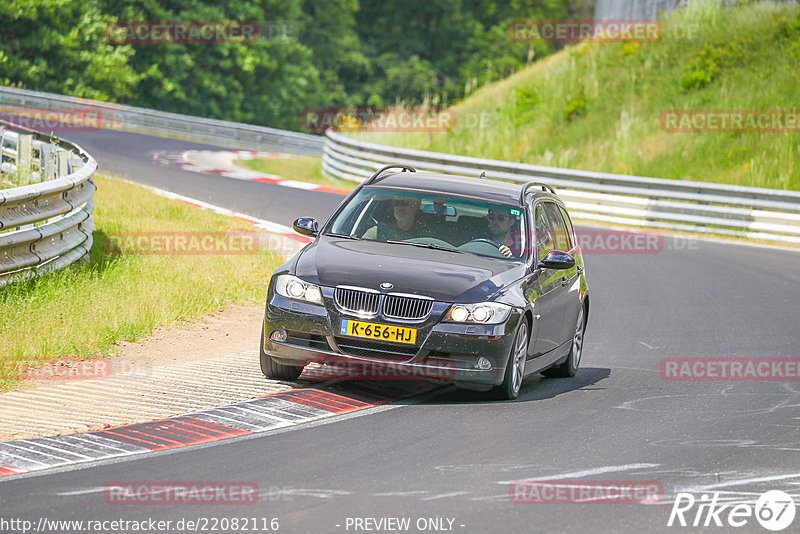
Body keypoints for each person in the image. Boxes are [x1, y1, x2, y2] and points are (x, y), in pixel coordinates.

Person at [362, 197, 430, 241]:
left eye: (405, 203)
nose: (399, 207)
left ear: (416, 205)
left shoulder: (428, 233)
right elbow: (360, 251)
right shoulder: (377, 231)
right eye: (396, 203)